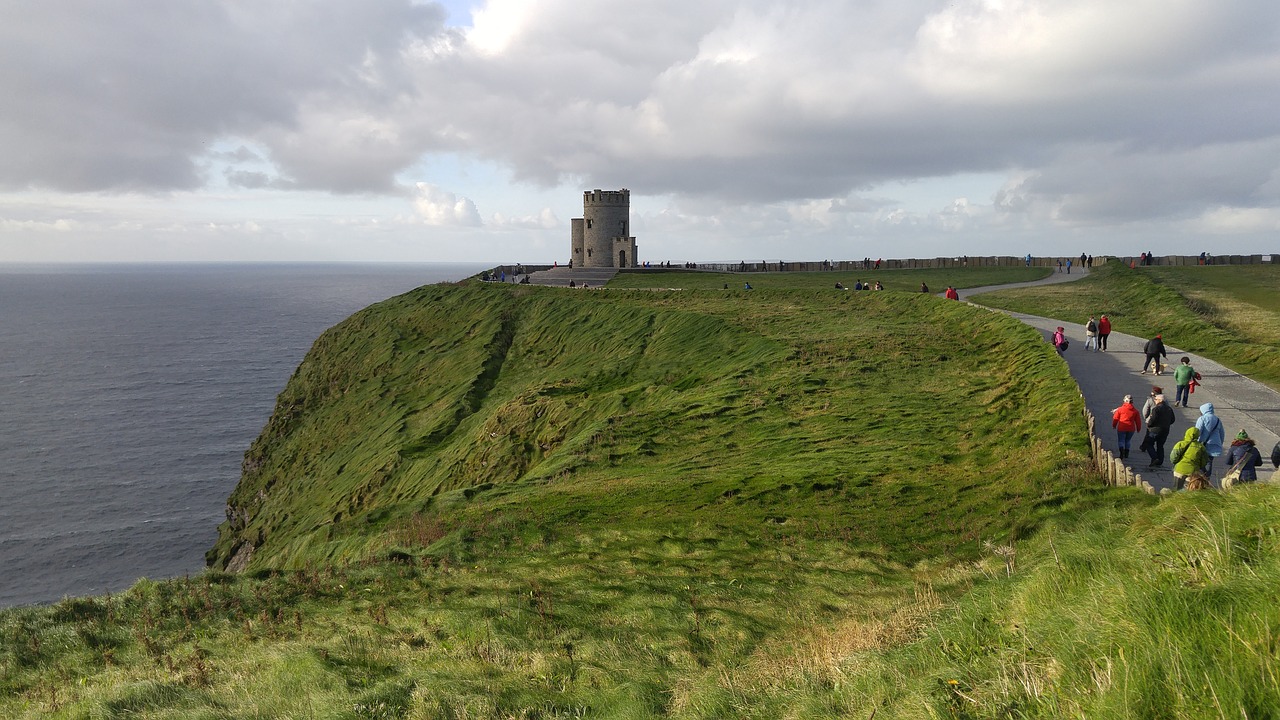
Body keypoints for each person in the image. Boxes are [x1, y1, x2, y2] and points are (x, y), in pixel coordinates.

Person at [1141, 393, 1175, 468]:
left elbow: (1152, 419)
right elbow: (1173, 420)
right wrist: (1166, 424)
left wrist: (1149, 425)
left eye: (1156, 399)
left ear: (1160, 400)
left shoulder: (1156, 409)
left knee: (1149, 443)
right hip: (1165, 430)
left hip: (1155, 430)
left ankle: (1154, 458)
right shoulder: (1169, 409)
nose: (1155, 401)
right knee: (1160, 445)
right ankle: (1160, 461)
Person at [1194, 403, 1226, 477]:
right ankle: (1207, 478)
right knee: (1209, 462)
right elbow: (1222, 433)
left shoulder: (1202, 419)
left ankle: (1200, 478)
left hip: (1202, 444)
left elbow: (1197, 431)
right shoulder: (1217, 420)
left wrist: (1195, 442)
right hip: (1214, 445)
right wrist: (1220, 443)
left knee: (1199, 461)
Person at [1112, 395, 1142, 459]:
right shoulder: (1135, 411)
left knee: (1121, 440)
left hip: (1122, 427)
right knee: (1128, 441)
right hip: (1131, 429)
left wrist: (1114, 425)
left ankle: (1121, 452)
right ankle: (1126, 454)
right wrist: (1138, 429)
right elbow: (1138, 421)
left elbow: (1115, 418)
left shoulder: (1120, 409)